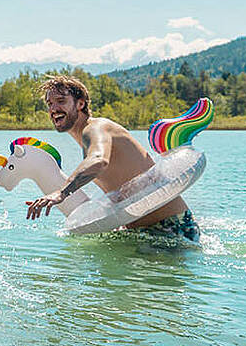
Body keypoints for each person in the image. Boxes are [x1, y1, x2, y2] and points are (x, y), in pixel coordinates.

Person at [25, 75, 200, 241]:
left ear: (80, 104)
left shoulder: (95, 128)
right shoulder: (87, 137)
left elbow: (99, 160)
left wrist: (61, 193)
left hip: (171, 228)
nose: (53, 109)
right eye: (49, 103)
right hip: (146, 231)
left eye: (61, 101)